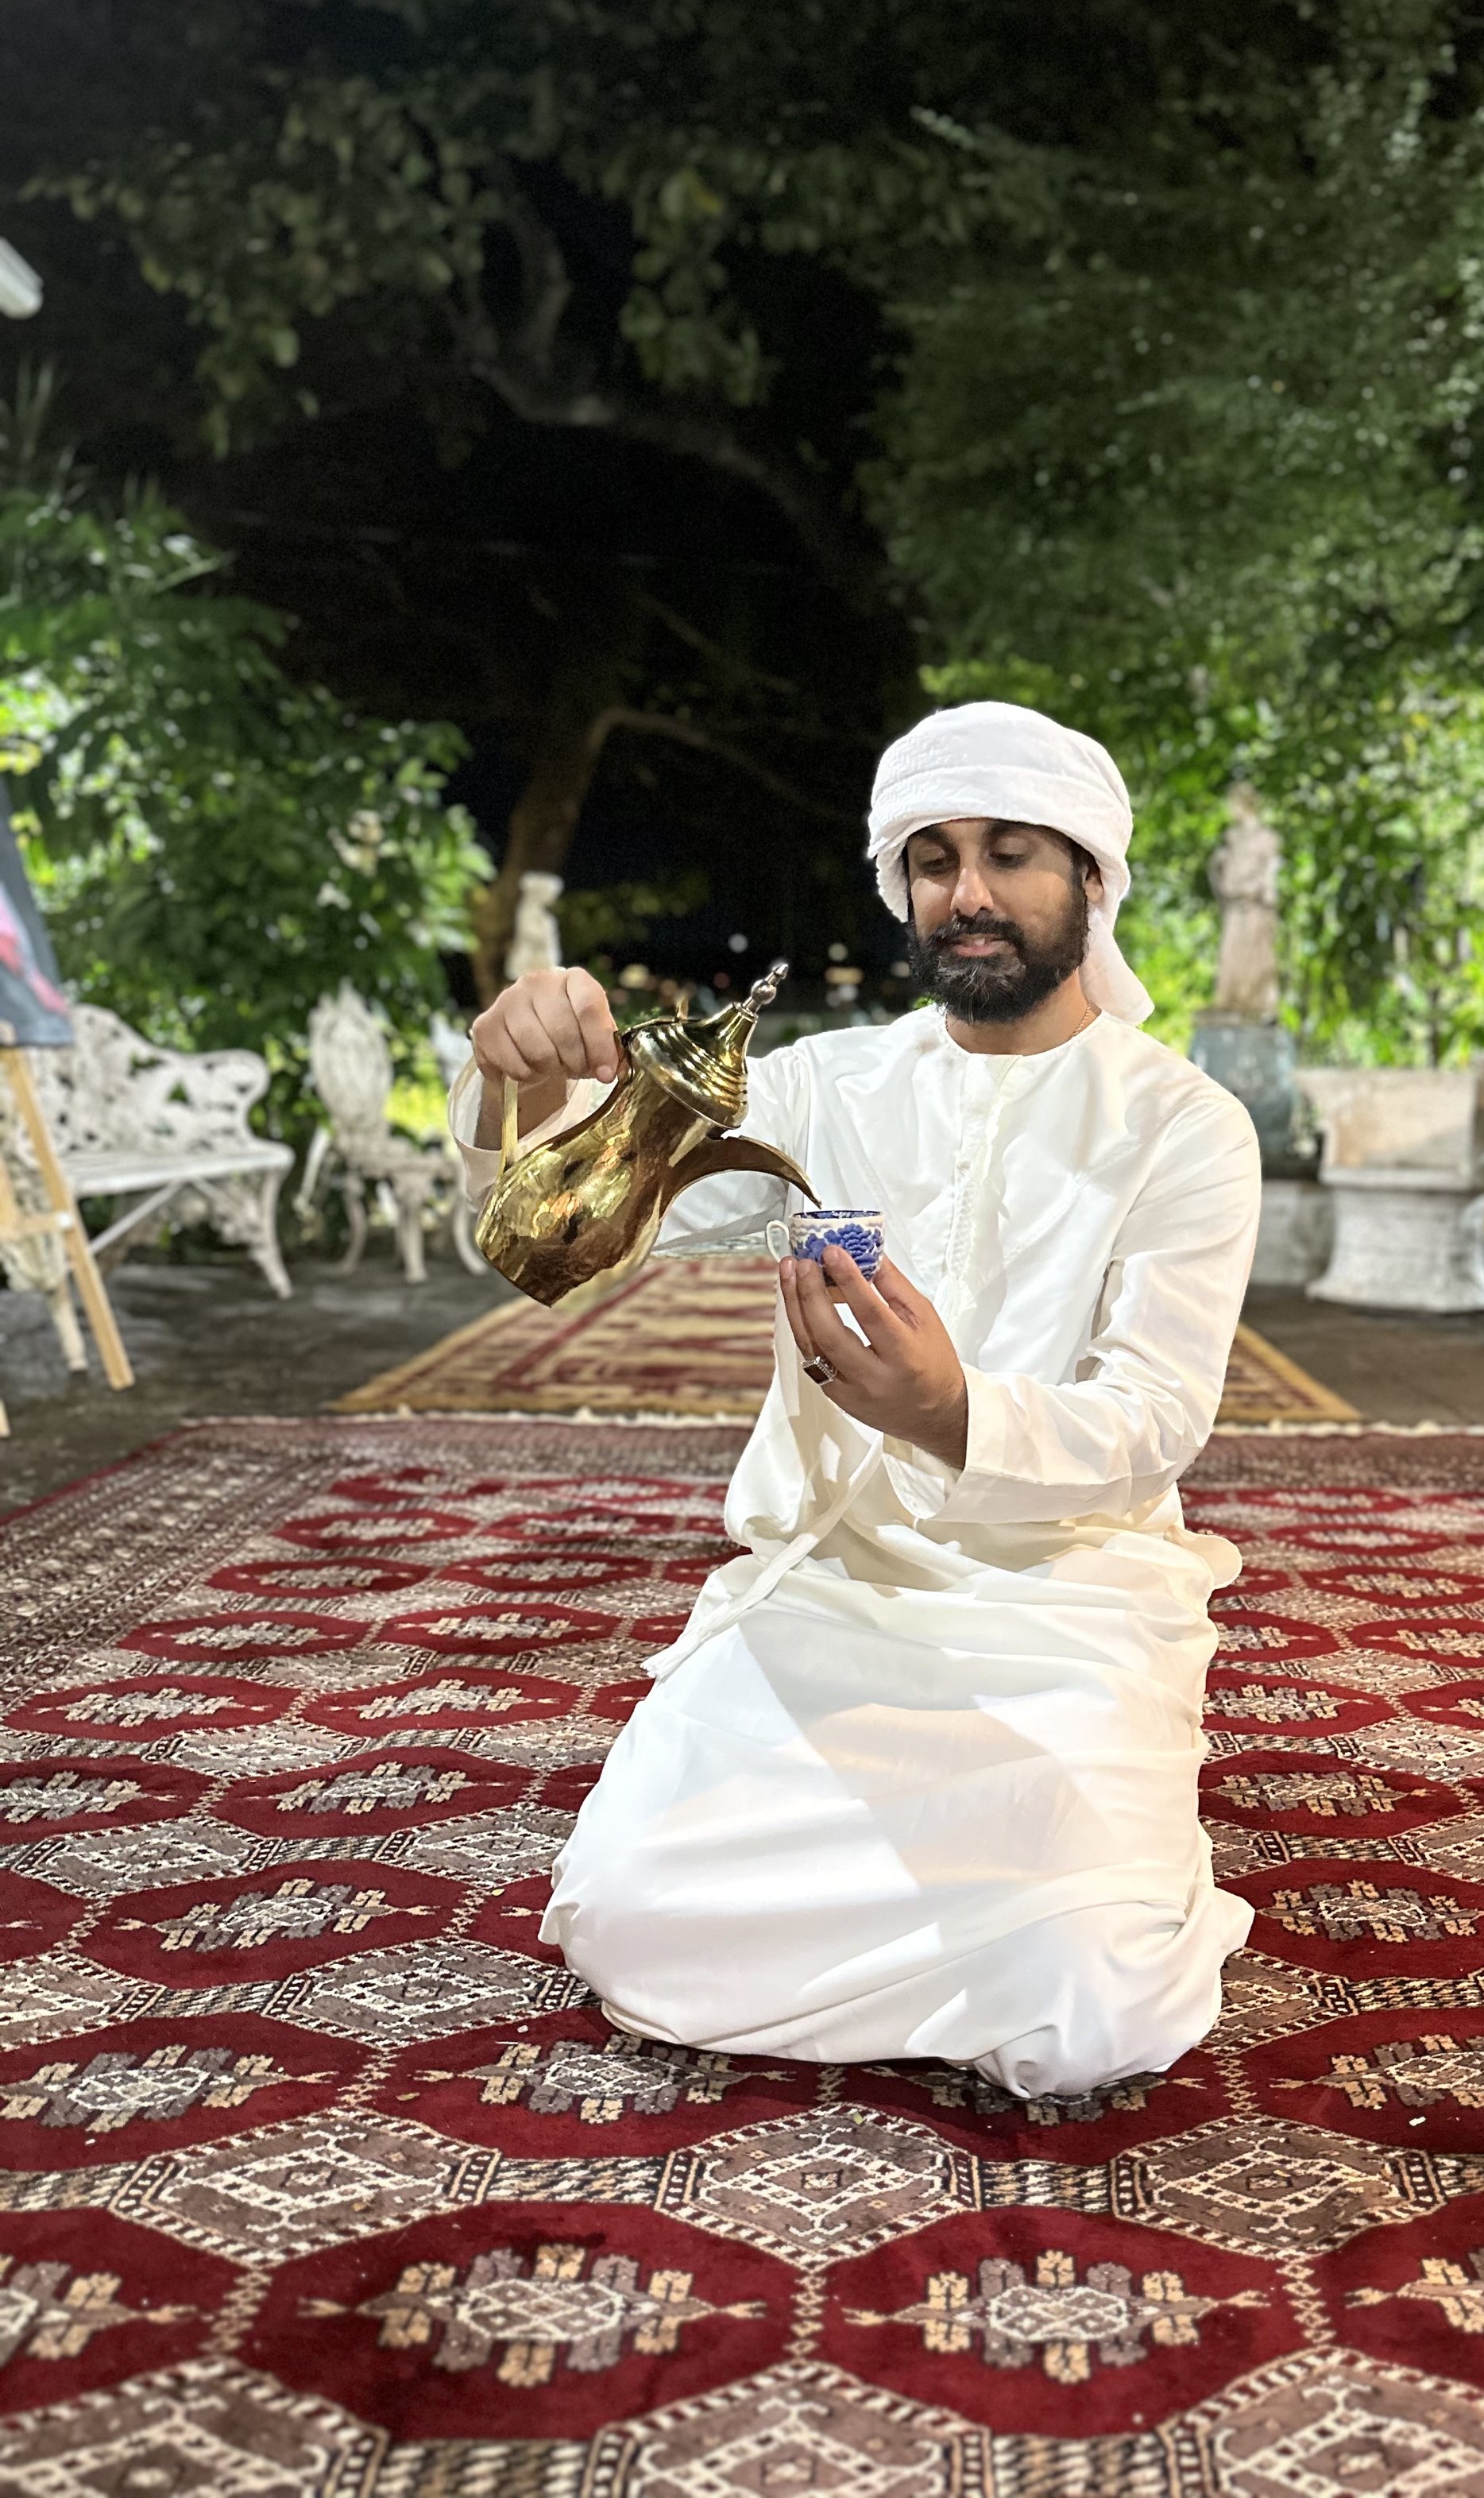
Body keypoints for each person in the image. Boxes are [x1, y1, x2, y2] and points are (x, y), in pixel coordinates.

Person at [454, 701, 1262, 2097]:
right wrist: (510, 1071)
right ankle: (996, 1907)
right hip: (837, 1587)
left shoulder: (1182, 1123)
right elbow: (574, 1232)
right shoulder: (822, 1085)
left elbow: (1154, 1415)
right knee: (628, 1921)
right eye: (934, 859)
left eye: (1012, 853)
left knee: (1100, 2009)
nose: (970, 893)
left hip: (1065, 1605)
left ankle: (1107, 1859)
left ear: (1092, 881)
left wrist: (952, 1409)